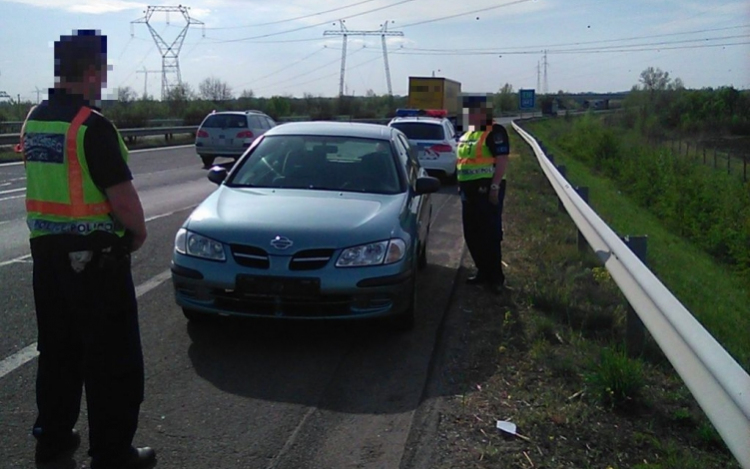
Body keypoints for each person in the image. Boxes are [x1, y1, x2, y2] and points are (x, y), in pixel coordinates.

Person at [21, 30, 155, 469]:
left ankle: (54, 442)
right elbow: (123, 201)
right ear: (93, 72)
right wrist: (136, 236)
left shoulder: (35, 120)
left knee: (58, 353)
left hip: (47, 258)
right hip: (95, 261)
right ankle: (113, 454)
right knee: (112, 362)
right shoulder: (91, 127)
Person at [456, 95, 510, 294]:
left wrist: (495, 187)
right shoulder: (469, 133)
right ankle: (482, 271)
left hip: (487, 189)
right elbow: (464, 161)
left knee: (490, 234)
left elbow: (502, 159)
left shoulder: (494, 131)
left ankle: (495, 278)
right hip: (468, 190)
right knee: (472, 233)